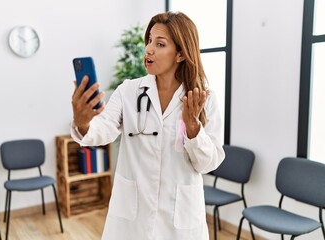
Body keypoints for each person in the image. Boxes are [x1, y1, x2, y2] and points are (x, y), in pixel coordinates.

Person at [71, 11, 225, 240]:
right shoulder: (128, 91)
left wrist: (193, 128)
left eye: (160, 44)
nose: (149, 49)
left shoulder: (203, 98)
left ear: (181, 54)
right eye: (149, 41)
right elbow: (103, 130)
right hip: (132, 217)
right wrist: (83, 122)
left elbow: (208, 163)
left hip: (179, 217)